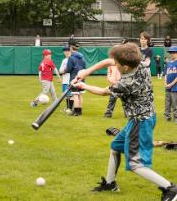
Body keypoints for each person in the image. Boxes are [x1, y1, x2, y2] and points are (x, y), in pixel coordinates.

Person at [73, 43, 177, 200]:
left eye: (118, 65)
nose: (115, 65)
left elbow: (103, 92)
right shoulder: (140, 65)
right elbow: (109, 61)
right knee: (115, 147)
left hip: (140, 122)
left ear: (126, 67)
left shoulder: (127, 84)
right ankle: (110, 183)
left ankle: (170, 189)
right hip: (142, 118)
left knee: (136, 164)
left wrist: (82, 85)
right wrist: (87, 71)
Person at [66, 40, 86, 116]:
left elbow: (68, 69)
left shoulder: (71, 58)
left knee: (75, 95)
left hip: (74, 78)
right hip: (82, 77)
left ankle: (77, 112)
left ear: (71, 48)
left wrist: (65, 70)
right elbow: (84, 68)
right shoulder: (82, 57)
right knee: (80, 94)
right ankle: (80, 111)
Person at [163, 46, 177, 123]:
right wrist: (165, 83)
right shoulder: (168, 63)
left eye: (174, 53)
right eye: (171, 53)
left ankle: (176, 117)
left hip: (175, 87)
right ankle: (167, 116)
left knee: (175, 102)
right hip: (168, 86)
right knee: (167, 102)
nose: (172, 54)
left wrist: (171, 84)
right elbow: (165, 74)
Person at [59, 46, 72, 112]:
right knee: (67, 95)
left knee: (70, 95)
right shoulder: (64, 60)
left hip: (70, 80)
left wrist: (64, 70)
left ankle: (69, 108)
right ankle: (68, 107)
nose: (66, 52)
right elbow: (60, 70)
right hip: (65, 80)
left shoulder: (71, 59)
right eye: (65, 51)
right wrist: (63, 71)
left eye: (68, 51)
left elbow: (63, 70)